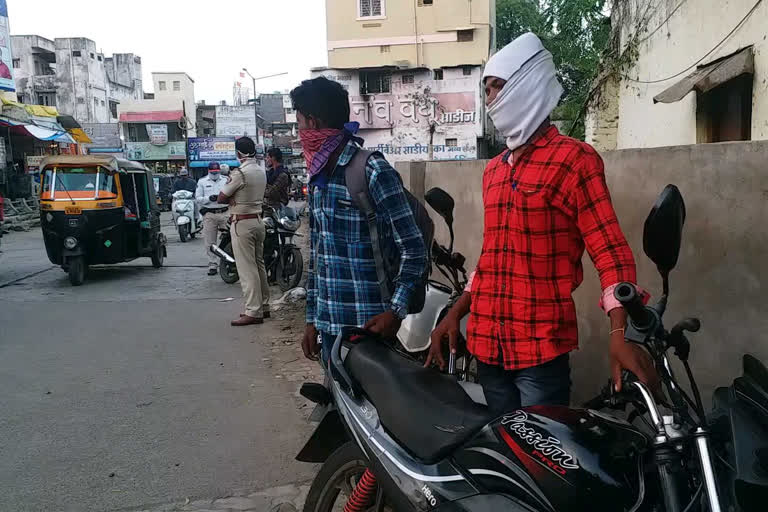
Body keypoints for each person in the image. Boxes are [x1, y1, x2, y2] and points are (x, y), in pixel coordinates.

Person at [427, 33, 658, 416]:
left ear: (528, 84)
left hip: (539, 352)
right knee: (504, 459)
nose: (490, 99)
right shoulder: (494, 172)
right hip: (487, 346)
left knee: (542, 465)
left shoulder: (575, 161)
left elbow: (610, 253)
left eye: (497, 86)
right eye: (486, 90)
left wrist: (620, 334)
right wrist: (455, 314)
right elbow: (491, 262)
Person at [294, 76, 428, 363]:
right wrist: (312, 321)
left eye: (300, 124)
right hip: (329, 329)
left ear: (313, 123)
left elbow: (414, 249)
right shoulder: (318, 180)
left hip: (369, 331)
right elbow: (319, 257)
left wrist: (395, 311)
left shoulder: (372, 170)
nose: (299, 132)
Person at [217, 137, 270, 326]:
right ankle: (263, 306)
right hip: (257, 220)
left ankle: (253, 311)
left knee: (247, 269)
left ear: (239, 153)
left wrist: (232, 200)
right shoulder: (260, 170)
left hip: (242, 223)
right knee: (259, 264)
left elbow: (222, 197)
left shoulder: (240, 173)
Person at [196, 162, 229, 276]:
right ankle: (213, 264)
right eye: (212, 172)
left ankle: (229, 261)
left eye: (216, 172)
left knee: (232, 238)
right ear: (208, 171)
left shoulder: (226, 180)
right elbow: (198, 198)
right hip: (210, 213)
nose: (215, 174)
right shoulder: (202, 182)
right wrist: (209, 198)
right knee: (210, 241)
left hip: (225, 212)